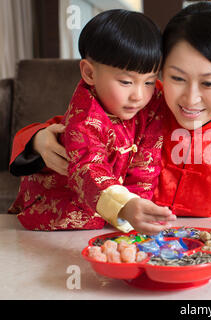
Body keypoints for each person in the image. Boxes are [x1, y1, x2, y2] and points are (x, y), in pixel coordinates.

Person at [9, 2, 211, 221]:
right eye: (177, 78)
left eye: (208, 83)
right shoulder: (143, 102)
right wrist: (37, 139)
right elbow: (80, 127)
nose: (190, 99)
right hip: (115, 241)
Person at [9, 9, 176, 233]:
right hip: (63, 210)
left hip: (116, 209)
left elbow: (147, 161)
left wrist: (138, 209)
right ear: (89, 73)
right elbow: (89, 166)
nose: (138, 95)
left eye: (148, 81)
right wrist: (125, 206)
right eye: (126, 82)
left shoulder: (152, 101)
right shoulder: (85, 115)